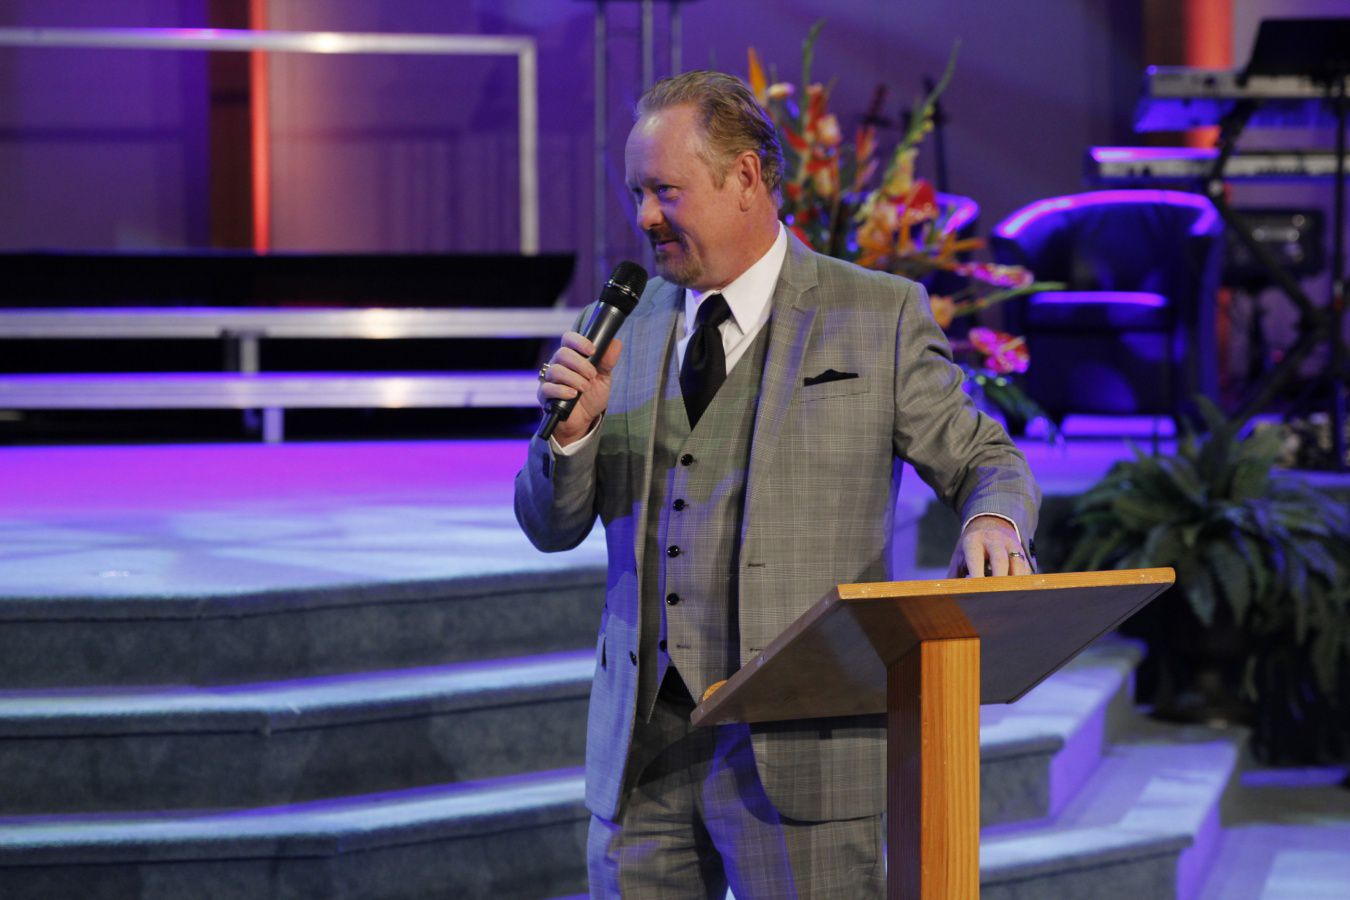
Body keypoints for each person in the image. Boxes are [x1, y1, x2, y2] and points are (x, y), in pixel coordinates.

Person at [515, 70, 1039, 899]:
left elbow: (987, 459)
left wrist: (995, 524)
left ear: (747, 177)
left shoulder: (877, 315)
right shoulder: (619, 327)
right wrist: (571, 437)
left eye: (665, 191)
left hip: (802, 747)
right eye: (637, 193)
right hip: (643, 751)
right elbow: (549, 525)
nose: (644, 217)